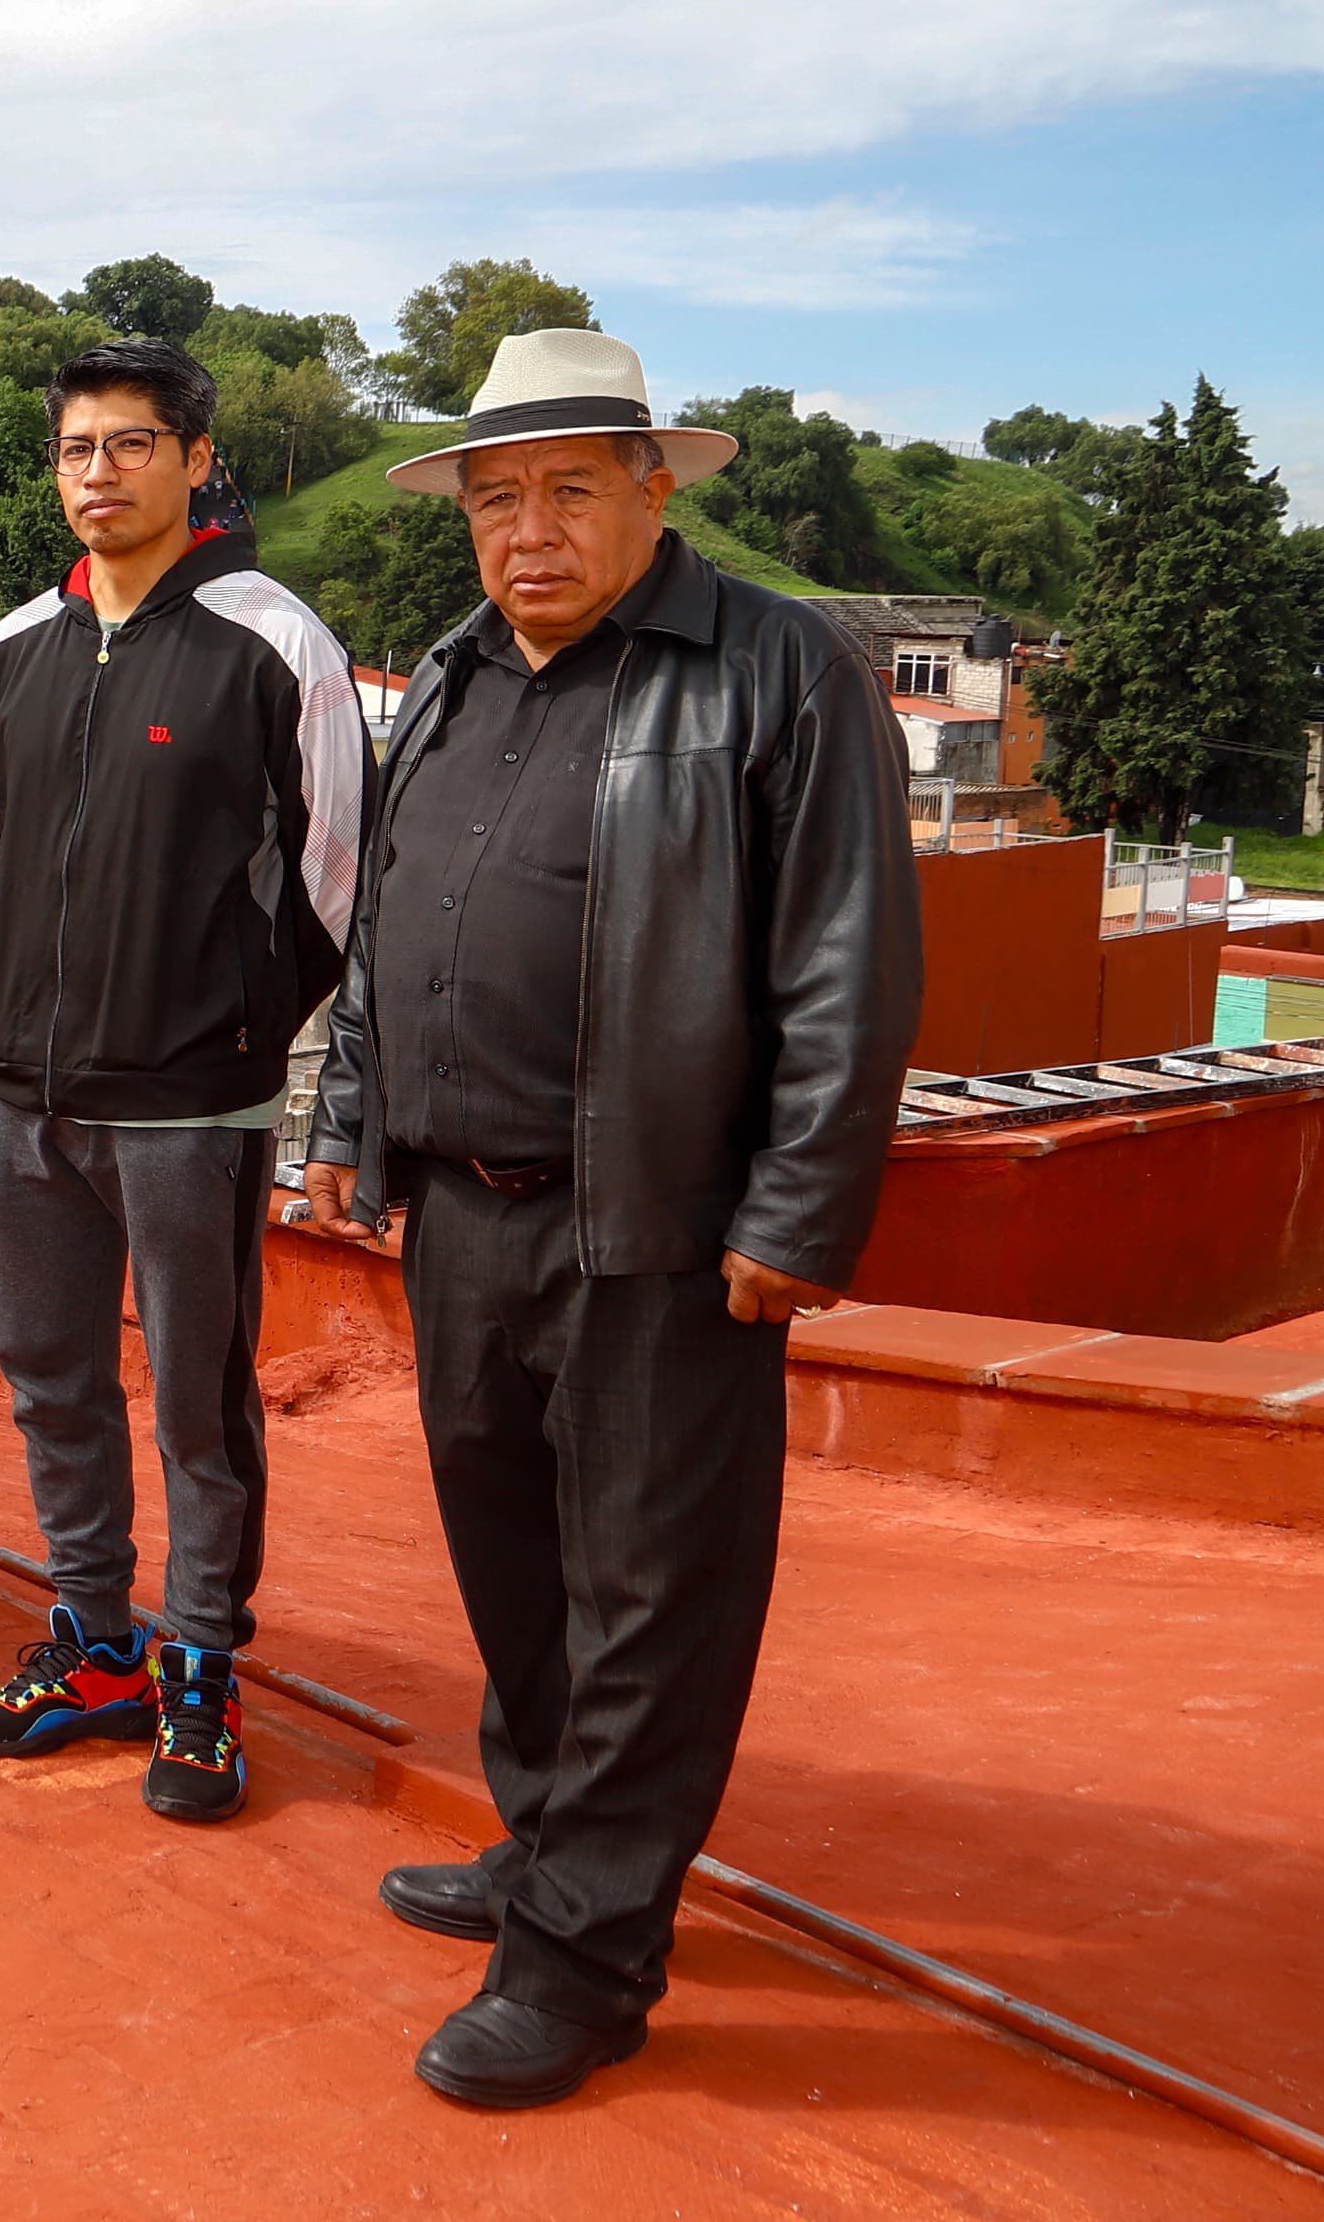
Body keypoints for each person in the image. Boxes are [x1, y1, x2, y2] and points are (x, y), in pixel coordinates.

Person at [292, 328, 920, 2108]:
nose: (529, 530)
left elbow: (849, 963)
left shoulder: (779, 668)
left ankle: (584, 1952)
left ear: (658, 487)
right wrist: (354, 1117)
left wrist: (800, 1206)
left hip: (663, 1219)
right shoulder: (462, 679)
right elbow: (386, 929)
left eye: (571, 487)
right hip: (464, 1213)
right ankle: (553, 1842)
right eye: (497, 497)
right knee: (514, 1568)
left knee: (652, 1592)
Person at [0, 338, 372, 1822]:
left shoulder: (275, 641)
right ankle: (97, 1643)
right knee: (52, 1382)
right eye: (77, 448)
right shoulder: (15, 648)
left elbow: (334, 879)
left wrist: (231, 1028)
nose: (99, 474)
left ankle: (201, 1661)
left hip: (191, 1101)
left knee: (197, 1399)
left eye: (132, 445)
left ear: (199, 461)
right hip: (19, 1094)